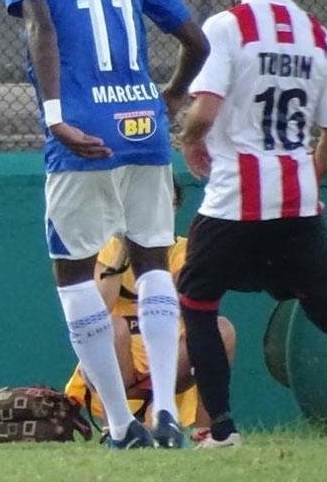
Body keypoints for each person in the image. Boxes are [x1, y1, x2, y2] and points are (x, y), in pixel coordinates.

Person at [0, 0, 209, 448]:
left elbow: (41, 23)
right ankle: (168, 414)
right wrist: (166, 100)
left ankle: (120, 426)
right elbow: (194, 39)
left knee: (72, 275)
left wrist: (56, 116)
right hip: (143, 125)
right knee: (152, 259)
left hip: (82, 129)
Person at [179, 0, 327, 448]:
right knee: (323, 305)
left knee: (198, 300)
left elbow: (205, 109)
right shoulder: (319, 37)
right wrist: (308, 174)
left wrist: (189, 140)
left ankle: (221, 429)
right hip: (297, 200)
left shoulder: (228, 27)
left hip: (235, 200)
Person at [64, 180, 237, 438]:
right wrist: (124, 249)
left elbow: (189, 306)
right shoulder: (106, 250)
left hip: (170, 364)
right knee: (111, 326)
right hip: (121, 365)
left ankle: (203, 429)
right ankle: (119, 422)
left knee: (222, 329)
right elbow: (100, 309)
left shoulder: (185, 250)